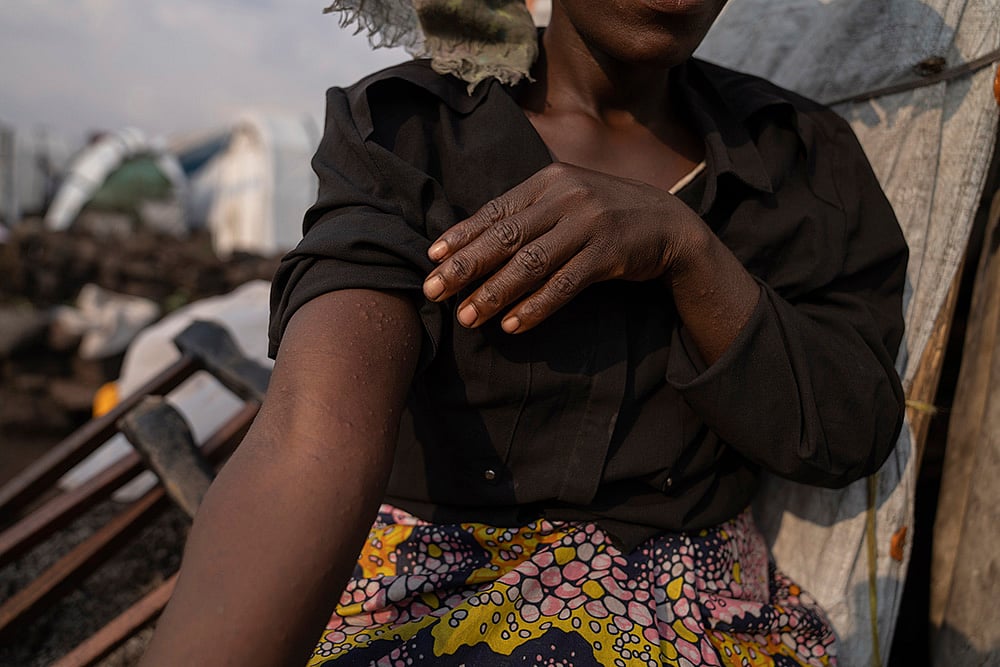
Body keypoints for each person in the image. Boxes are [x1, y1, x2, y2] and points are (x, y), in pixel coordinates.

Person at [140, 1, 907, 665]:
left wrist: (688, 251)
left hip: (687, 612)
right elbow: (311, 442)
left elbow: (848, 431)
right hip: (424, 581)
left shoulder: (800, 161)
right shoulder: (409, 133)